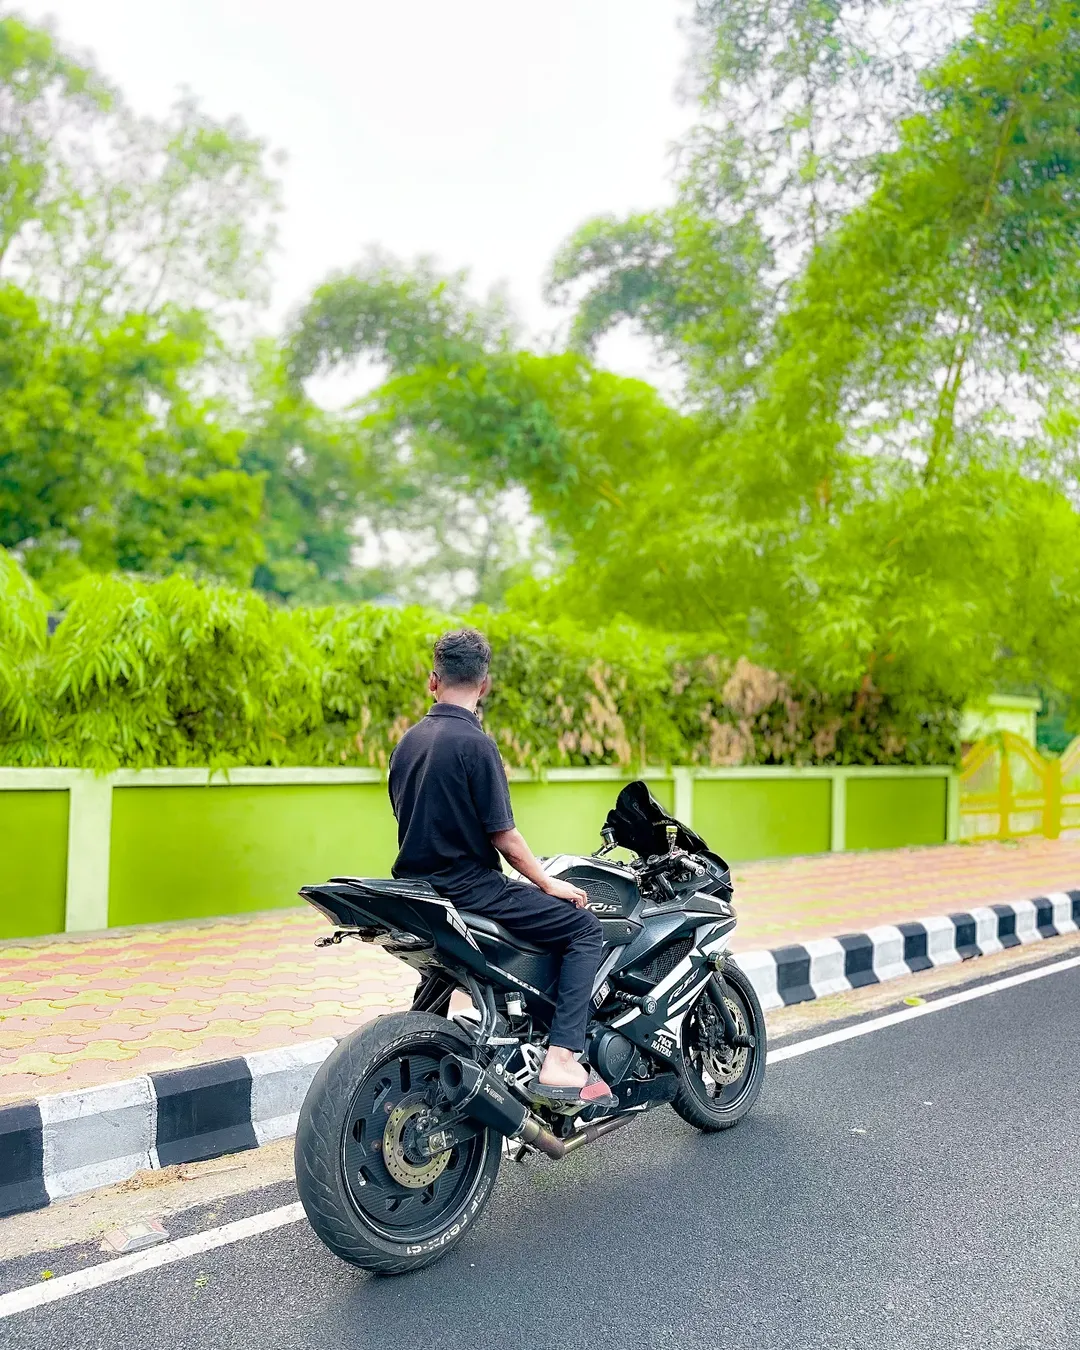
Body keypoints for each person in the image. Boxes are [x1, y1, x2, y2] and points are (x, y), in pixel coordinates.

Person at [388, 627, 613, 1106]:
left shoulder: (407, 743)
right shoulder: (476, 744)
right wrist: (548, 883)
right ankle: (561, 1058)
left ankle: (412, 1063)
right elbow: (505, 838)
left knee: (439, 967)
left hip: (417, 891)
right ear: (485, 685)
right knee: (584, 928)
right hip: (468, 887)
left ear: (433, 680)